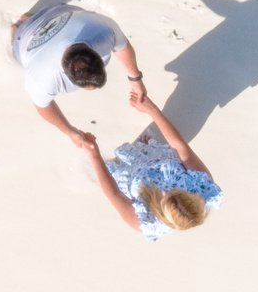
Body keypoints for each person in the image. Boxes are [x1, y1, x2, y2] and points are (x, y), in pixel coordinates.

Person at [87, 79, 220, 239]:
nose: (164, 190)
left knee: (99, 170)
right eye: (175, 190)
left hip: (129, 179)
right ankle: (145, 148)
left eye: (166, 196)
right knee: (149, 145)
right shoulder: (202, 186)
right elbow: (180, 146)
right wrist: (151, 109)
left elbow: (114, 194)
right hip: (154, 159)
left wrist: (93, 153)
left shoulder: (144, 222)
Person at [8, 0, 139, 154]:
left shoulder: (102, 29)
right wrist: (70, 132)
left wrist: (136, 80)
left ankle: (31, 21)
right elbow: (43, 107)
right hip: (32, 33)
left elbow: (123, 47)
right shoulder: (42, 76)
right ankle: (18, 27)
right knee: (16, 51)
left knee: (52, 18)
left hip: (58, 13)